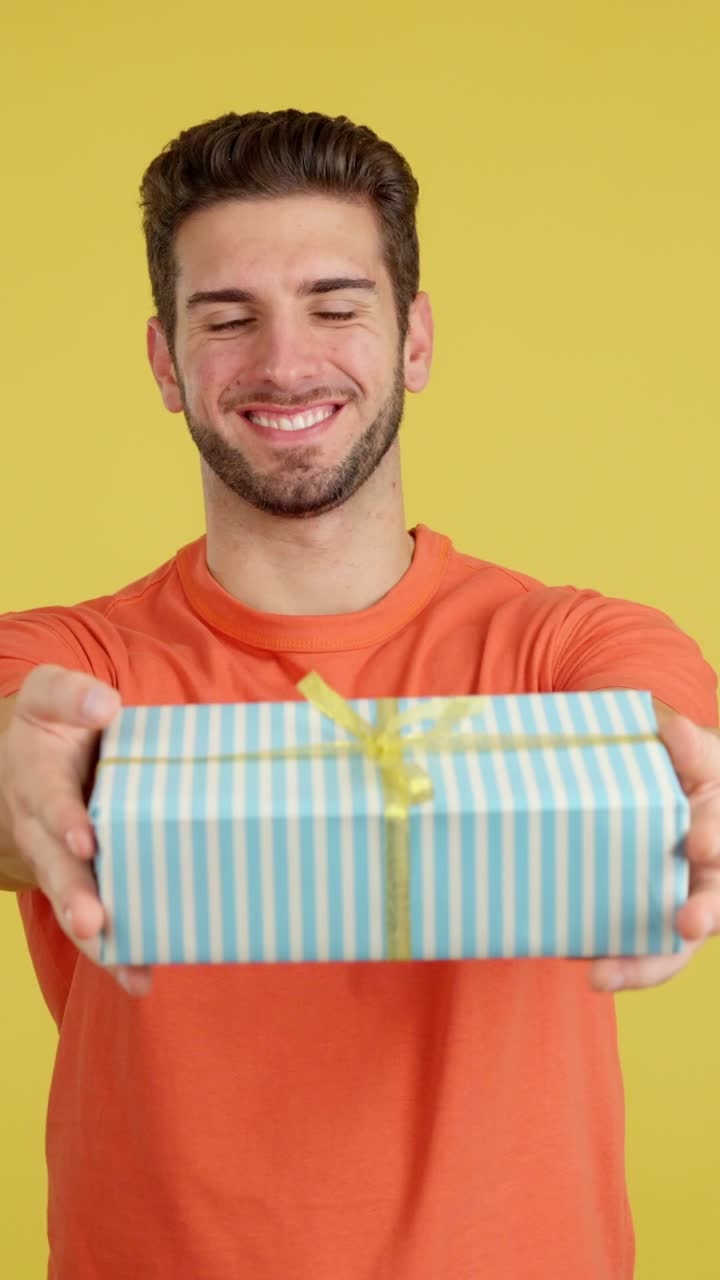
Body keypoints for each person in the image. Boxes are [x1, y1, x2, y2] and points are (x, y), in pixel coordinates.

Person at [0, 108, 718, 1280]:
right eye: (228, 319)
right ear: (165, 361)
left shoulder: (572, 644)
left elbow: (666, 729)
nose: (285, 361)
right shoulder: (67, 664)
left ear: (416, 340)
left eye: (336, 307)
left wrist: (684, 790)